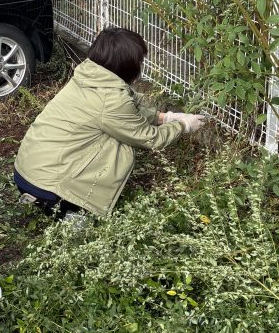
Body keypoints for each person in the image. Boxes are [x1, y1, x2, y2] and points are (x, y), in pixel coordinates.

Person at [14, 27, 205, 218]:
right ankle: (71, 216)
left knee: (114, 133)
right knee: (120, 142)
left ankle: (57, 207)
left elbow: (126, 112)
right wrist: (183, 125)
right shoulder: (112, 99)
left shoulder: (87, 77)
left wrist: (164, 117)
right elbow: (150, 138)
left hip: (25, 174)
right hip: (49, 189)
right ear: (126, 65)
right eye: (139, 61)